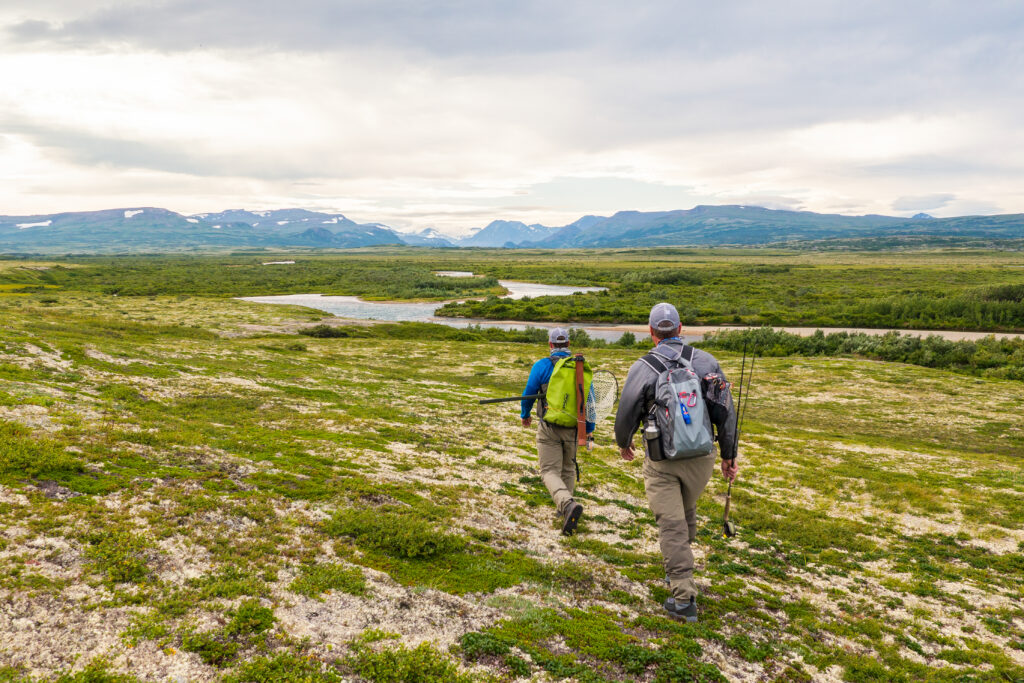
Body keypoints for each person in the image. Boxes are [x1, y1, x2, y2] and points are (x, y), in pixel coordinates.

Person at [614, 303, 738, 621]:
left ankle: (683, 598)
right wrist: (729, 455)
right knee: (684, 512)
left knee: (671, 525)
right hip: (702, 458)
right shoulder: (707, 361)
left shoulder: (643, 367)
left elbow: (627, 411)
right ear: (681, 329)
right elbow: (725, 413)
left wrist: (624, 442)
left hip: (661, 459)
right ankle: (675, 569)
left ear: (651, 332)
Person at [521, 327, 594, 535]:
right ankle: (564, 512)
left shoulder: (542, 366)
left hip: (549, 427)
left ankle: (566, 504)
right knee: (568, 469)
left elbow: (529, 392)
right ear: (568, 344)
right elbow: (590, 402)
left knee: (549, 471)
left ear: (550, 345)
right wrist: (588, 430)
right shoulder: (580, 367)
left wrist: (524, 414)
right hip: (574, 428)